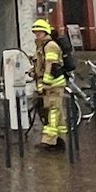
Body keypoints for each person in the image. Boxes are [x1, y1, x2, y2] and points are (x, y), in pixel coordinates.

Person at [31, 19, 68, 149]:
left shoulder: (50, 46)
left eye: (39, 31)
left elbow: (50, 64)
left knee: (51, 112)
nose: (37, 34)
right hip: (50, 84)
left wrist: (45, 81)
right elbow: (40, 64)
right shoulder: (42, 45)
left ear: (45, 31)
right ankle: (60, 140)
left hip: (53, 84)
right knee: (57, 112)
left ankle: (49, 140)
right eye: (35, 32)